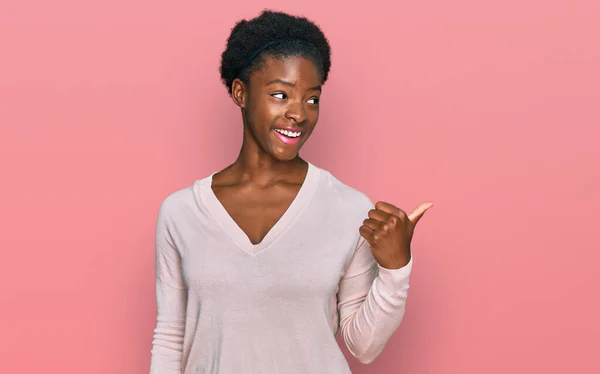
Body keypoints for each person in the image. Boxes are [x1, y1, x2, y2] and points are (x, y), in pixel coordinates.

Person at [149, 9, 433, 374]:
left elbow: (363, 346)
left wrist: (396, 269)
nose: (299, 114)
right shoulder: (181, 212)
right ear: (240, 93)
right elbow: (170, 338)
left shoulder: (347, 208)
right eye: (281, 95)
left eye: (312, 99)